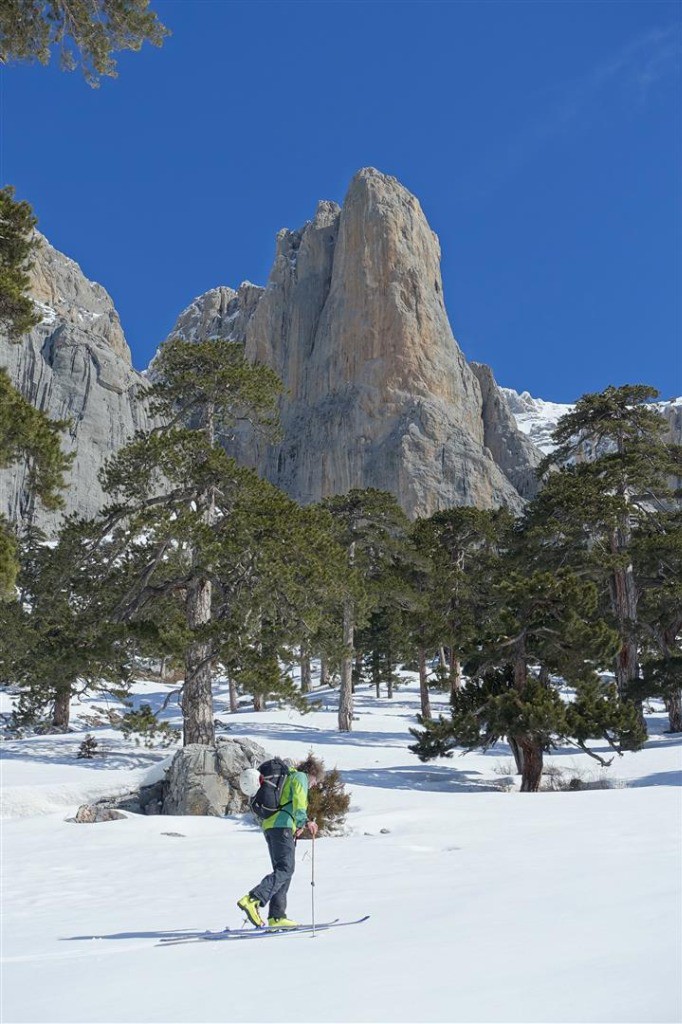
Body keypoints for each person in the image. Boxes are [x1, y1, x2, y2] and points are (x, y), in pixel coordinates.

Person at [237, 760, 320, 929]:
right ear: (311, 774)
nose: (312, 785)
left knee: (282, 871)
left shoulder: (287, 777)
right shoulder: (300, 777)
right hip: (282, 827)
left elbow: (286, 802)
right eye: (314, 782)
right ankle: (253, 899)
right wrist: (304, 821)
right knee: (285, 869)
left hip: (271, 827)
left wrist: (296, 825)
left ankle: (277, 916)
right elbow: (298, 799)